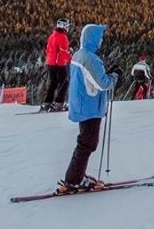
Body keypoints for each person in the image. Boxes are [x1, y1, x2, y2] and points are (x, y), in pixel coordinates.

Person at [57, 24, 122, 193]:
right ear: (93, 38)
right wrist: (114, 76)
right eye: (99, 37)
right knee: (87, 143)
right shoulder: (89, 58)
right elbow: (102, 83)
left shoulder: (80, 55)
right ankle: (73, 180)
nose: (101, 41)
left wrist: (107, 73)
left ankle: (77, 176)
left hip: (82, 104)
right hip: (89, 106)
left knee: (86, 141)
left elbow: (91, 77)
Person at [41, 18, 72, 112]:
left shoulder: (52, 36)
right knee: (64, 83)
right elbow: (63, 52)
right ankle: (59, 103)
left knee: (53, 83)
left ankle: (47, 102)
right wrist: (72, 58)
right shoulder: (63, 37)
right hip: (58, 63)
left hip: (50, 63)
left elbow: (47, 50)